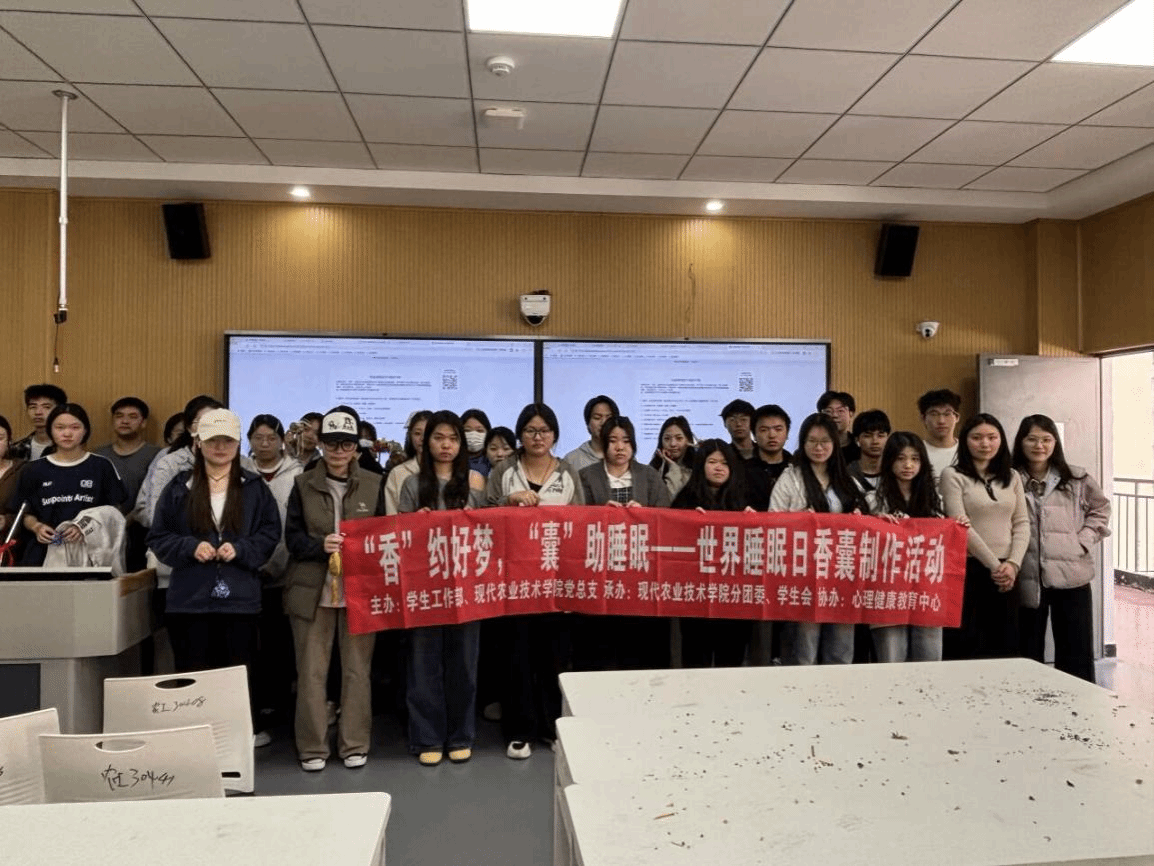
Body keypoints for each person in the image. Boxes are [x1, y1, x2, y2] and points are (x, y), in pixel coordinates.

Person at [148, 409, 280, 692]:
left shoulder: (254, 487)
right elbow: (158, 536)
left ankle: (239, 724)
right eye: (212, 440)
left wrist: (242, 549)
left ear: (238, 444)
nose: (220, 447)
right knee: (193, 682)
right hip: (189, 601)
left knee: (237, 683)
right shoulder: (178, 487)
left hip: (240, 602)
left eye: (228, 440)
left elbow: (270, 534)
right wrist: (190, 546)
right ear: (198, 443)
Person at [284, 406, 385, 772]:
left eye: (346, 444)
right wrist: (318, 546)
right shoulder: (302, 483)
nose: (339, 451)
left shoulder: (375, 483)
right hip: (313, 590)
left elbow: (385, 536)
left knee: (357, 671)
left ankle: (354, 743)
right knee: (311, 672)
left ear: (356, 447)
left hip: (359, 591)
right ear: (321, 444)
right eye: (331, 443)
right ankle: (312, 747)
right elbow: (292, 539)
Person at [485, 402, 584, 759]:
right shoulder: (504, 470)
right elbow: (483, 515)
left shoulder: (568, 471)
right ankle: (519, 730)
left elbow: (582, 524)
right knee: (517, 656)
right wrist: (508, 501)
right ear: (520, 435)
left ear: (554, 435)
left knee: (554, 657)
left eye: (544, 431)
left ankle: (551, 727)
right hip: (514, 581)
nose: (537, 437)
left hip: (557, 581)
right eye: (530, 431)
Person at [398, 411, 486, 765]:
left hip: (465, 587)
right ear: (426, 441)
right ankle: (427, 738)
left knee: (463, 664)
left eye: (452, 438)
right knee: (424, 664)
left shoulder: (475, 482)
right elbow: (398, 537)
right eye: (438, 437)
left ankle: (461, 734)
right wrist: (414, 525)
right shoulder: (411, 483)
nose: (445, 445)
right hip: (425, 587)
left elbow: (486, 533)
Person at [1012, 415, 1110, 682]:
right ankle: (1029, 699)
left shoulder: (1077, 478)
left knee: (1076, 648)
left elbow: (1101, 509)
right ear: (1021, 442)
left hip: (1071, 573)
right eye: (1032, 439)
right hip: (1026, 574)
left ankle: (1079, 700)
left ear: (1055, 442)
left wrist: (1083, 540)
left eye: (1046, 439)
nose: (1039, 446)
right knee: (1026, 648)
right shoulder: (1010, 478)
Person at [769, 413, 867, 665]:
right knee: (804, 651)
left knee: (841, 651)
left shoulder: (847, 480)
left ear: (835, 443)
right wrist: (799, 519)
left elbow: (869, 520)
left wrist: (859, 517)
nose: (819, 447)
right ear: (803, 443)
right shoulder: (791, 478)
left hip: (842, 576)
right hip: (804, 576)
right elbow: (773, 521)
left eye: (825, 441)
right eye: (812, 441)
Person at [578, 415, 672, 670]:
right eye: (613, 441)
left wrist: (645, 515)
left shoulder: (649, 476)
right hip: (601, 571)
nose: (620, 447)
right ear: (603, 444)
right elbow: (576, 518)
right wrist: (599, 514)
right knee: (602, 645)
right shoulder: (586, 476)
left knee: (639, 645)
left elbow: (666, 518)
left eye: (626, 441)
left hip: (640, 572)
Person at [940, 413, 1029, 660]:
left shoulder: (1012, 476)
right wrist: (995, 566)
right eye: (977, 437)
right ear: (965, 441)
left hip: (1009, 572)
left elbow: (1022, 523)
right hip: (969, 569)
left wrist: (1013, 564)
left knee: (1005, 644)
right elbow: (960, 525)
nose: (985, 443)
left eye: (992, 437)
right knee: (968, 644)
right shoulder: (952, 475)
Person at [868, 432, 960, 662]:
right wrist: (875, 522)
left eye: (915, 459)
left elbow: (946, 543)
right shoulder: (873, 500)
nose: (908, 465)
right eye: (900, 458)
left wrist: (958, 527)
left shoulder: (935, 500)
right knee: (891, 660)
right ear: (889, 461)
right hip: (889, 592)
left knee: (929, 660)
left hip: (927, 591)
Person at [13, 403, 126, 566]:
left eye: (75, 427)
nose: (67, 433)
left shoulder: (101, 466)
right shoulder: (33, 469)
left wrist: (85, 528)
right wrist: (36, 527)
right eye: (60, 427)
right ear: (50, 430)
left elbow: (114, 512)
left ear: (85, 430)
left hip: (89, 553)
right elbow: (24, 513)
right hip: (43, 552)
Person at [672, 439, 753, 667]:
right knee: (696, 659)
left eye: (725, 463)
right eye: (712, 462)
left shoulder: (743, 498)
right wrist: (687, 521)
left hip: (734, 596)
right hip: (697, 597)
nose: (719, 468)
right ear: (701, 466)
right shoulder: (685, 498)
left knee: (731, 659)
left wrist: (753, 522)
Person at [247, 414, 303, 741]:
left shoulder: (297, 473)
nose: (265, 444)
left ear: (282, 441)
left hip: (287, 571)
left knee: (281, 642)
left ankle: (281, 704)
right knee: (251, 645)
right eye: (258, 438)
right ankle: (259, 704)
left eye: (271, 438)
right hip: (246, 570)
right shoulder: (241, 471)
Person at [95, 397, 161, 572]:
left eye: (132, 417)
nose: (125, 421)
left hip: (142, 533)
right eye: (119, 416)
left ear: (143, 423)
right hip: (105, 534)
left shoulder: (157, 455)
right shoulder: (99, 456)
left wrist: (128, 520)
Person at [383, 410, 432, 515]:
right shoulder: (397, 473)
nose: (422, 438)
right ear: (410, 436)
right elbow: (391, 516)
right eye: (417, 433)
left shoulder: (448, 470)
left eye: (428, 433)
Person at [745, 404, 792, 511]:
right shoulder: (741, 471)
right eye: (764, 430)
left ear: (787, 433)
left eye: (778, 429)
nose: (772, 435)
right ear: (754, 435)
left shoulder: (798, 468)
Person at [9, 384, 67, 461]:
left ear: (60, 410)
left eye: (46, 407)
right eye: (33, 407)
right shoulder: (17, 449)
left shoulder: (67, 447)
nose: (38, 412)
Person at [563, 395, 619, 472]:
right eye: (597, 418)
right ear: (588, 423)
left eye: (609, 418)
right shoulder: (572, 460)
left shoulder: (625, 457)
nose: (603, 422)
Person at [918, 389, 962, 483]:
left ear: (957, 417)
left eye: (947, 414)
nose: (941, 421)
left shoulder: (967, 451)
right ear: (923, 418)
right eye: (934, 414)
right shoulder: (916, 451)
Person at [649, 415, 696, 500]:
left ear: (688, 440)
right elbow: (666, 501)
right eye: (667, 439)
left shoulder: (697, 471)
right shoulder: (653, 472)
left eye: (679, 438)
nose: (673, 444)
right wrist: (673, 467)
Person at [0, 416, 26, 561]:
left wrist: (6, 521)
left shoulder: (23, 470)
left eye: (0, 438)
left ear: (9, 441)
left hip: (12, 551)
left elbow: (34, 512)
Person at [846, 409, 890, 492]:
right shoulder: (847, 474)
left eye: (880, 436)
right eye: (868, 436)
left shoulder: (894, 471)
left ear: (888, 438)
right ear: (857, 439)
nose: (875, 441)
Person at [817, 390, 859, 463]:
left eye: (840, 411)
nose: (834, 415)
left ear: (851, 414)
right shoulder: (814, 447)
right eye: (828, 411)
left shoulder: (860, 446)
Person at [461, 408, 493, 476]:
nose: (473, 435)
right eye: (467, 430)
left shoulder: (493, 461)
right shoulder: (449, 460)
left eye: (479, 431)